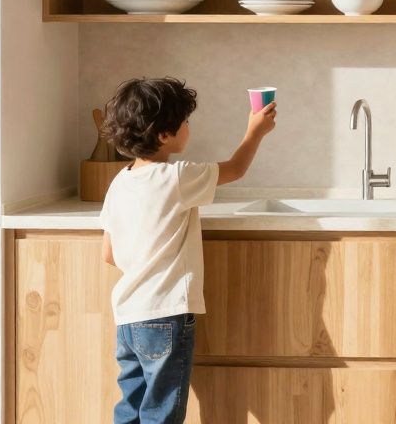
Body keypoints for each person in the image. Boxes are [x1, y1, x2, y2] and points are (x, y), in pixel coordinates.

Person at [98, 77, 277, 424]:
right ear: (165, 134)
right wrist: (255, 131)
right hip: (166, 314)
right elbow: (236, 169)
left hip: (128, 316)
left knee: (131, 407)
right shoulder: (177, 177)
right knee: (161, 413)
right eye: (185, 121)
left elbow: (108, 253)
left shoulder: (119, 182)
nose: (188, 128)